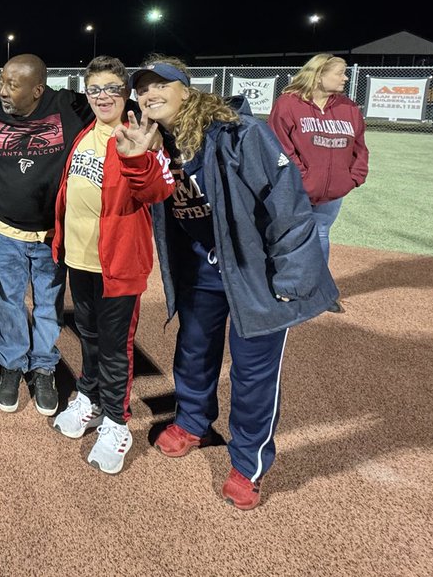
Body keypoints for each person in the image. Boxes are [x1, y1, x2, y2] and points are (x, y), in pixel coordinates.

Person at [133, 55, 340, 510]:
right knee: (193, 351)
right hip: (200, 269)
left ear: (186, 90)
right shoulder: (156, 141)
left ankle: (248, 464)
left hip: (255, 272)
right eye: (143, 88)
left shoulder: (238, 133)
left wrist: (290, 276)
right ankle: (194, 422)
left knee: (253, 374)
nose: (150, 94)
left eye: (161, 84)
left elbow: (286, 202)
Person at [50, 56, 173, 474]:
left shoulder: (142, 135)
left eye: (111, 89)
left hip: (118, 263)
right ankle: (89, 397)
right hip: (81, 259)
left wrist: (138, 157)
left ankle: (118, 423)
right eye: (95, 89)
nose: (103, 96)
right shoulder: (86, 133)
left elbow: (157, 191)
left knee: (116, 345)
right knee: (87, 334)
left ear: (125, 94)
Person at [0, 53, 92, 416]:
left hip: (51, 235)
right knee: (9, 301)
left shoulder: (68, 107)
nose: (3, 91)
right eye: (2, 81)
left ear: (38, 90)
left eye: (13, 84)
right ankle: (11, 362)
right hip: (7, 231)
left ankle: (43, 365)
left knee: (48, 304)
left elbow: (117, 103)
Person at [268, 55, 369, 263]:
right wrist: (302, 177)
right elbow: (278, 145)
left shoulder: (349, 108)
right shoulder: (288, 104)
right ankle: (286, 281)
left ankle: (317, 283)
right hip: (295, 188)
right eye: (340, 73)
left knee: (322, 233)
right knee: (289, 236)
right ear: (318, 75)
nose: (345, 78)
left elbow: (359, 148)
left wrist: (352, 178)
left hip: (333, 192)